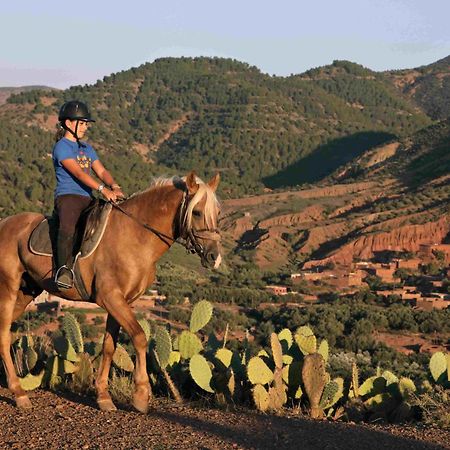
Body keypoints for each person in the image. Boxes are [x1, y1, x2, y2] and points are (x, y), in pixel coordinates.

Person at [52, 100, 125, 289]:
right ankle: (63, 270)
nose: (85, 127)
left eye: (86, 124)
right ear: (69, 124)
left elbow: (101, 171)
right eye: (82, 123)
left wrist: (114, 185)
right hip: (68, 196)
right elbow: (78, 173)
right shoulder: (62, 147)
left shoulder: (87, 149)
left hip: (88, 198)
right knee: (67, 228)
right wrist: (103, 190)